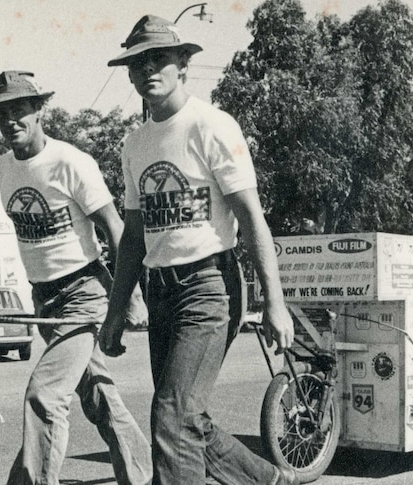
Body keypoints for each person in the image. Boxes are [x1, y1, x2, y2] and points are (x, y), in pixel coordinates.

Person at [99, 15, 297, 485]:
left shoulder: (211, 125)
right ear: (128, 72)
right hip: (161, 290)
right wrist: (115, 309)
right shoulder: (135, 144)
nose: (149, 69)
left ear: (183, 64)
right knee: (189, 417)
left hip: (209, 286)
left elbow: (251, 217)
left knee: (172, 417)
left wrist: (276, 303)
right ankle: (266, 480)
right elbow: (132, 234)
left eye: (160, 58)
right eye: (138, 61)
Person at [0, 70, 152, 485]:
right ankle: (144, 474)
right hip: (45, 299)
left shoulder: (70, 161)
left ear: (39, 111)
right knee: (98, 396)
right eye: (1, 114)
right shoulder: (2, 170)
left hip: (84, 291)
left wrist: (131, 294)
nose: (10, 121)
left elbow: (115, 226)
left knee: (45, 396)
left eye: (19, 111)